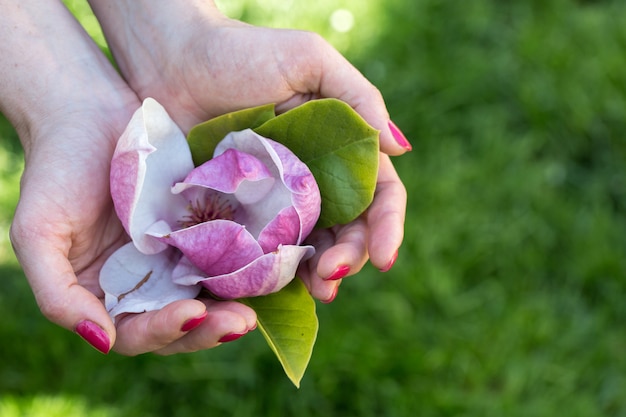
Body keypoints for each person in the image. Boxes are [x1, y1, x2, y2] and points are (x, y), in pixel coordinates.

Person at [1, 0, 409, 356]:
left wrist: (177, 35)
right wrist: (62, 108)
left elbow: (294, 193)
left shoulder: (267, 198)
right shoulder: (149, 161)